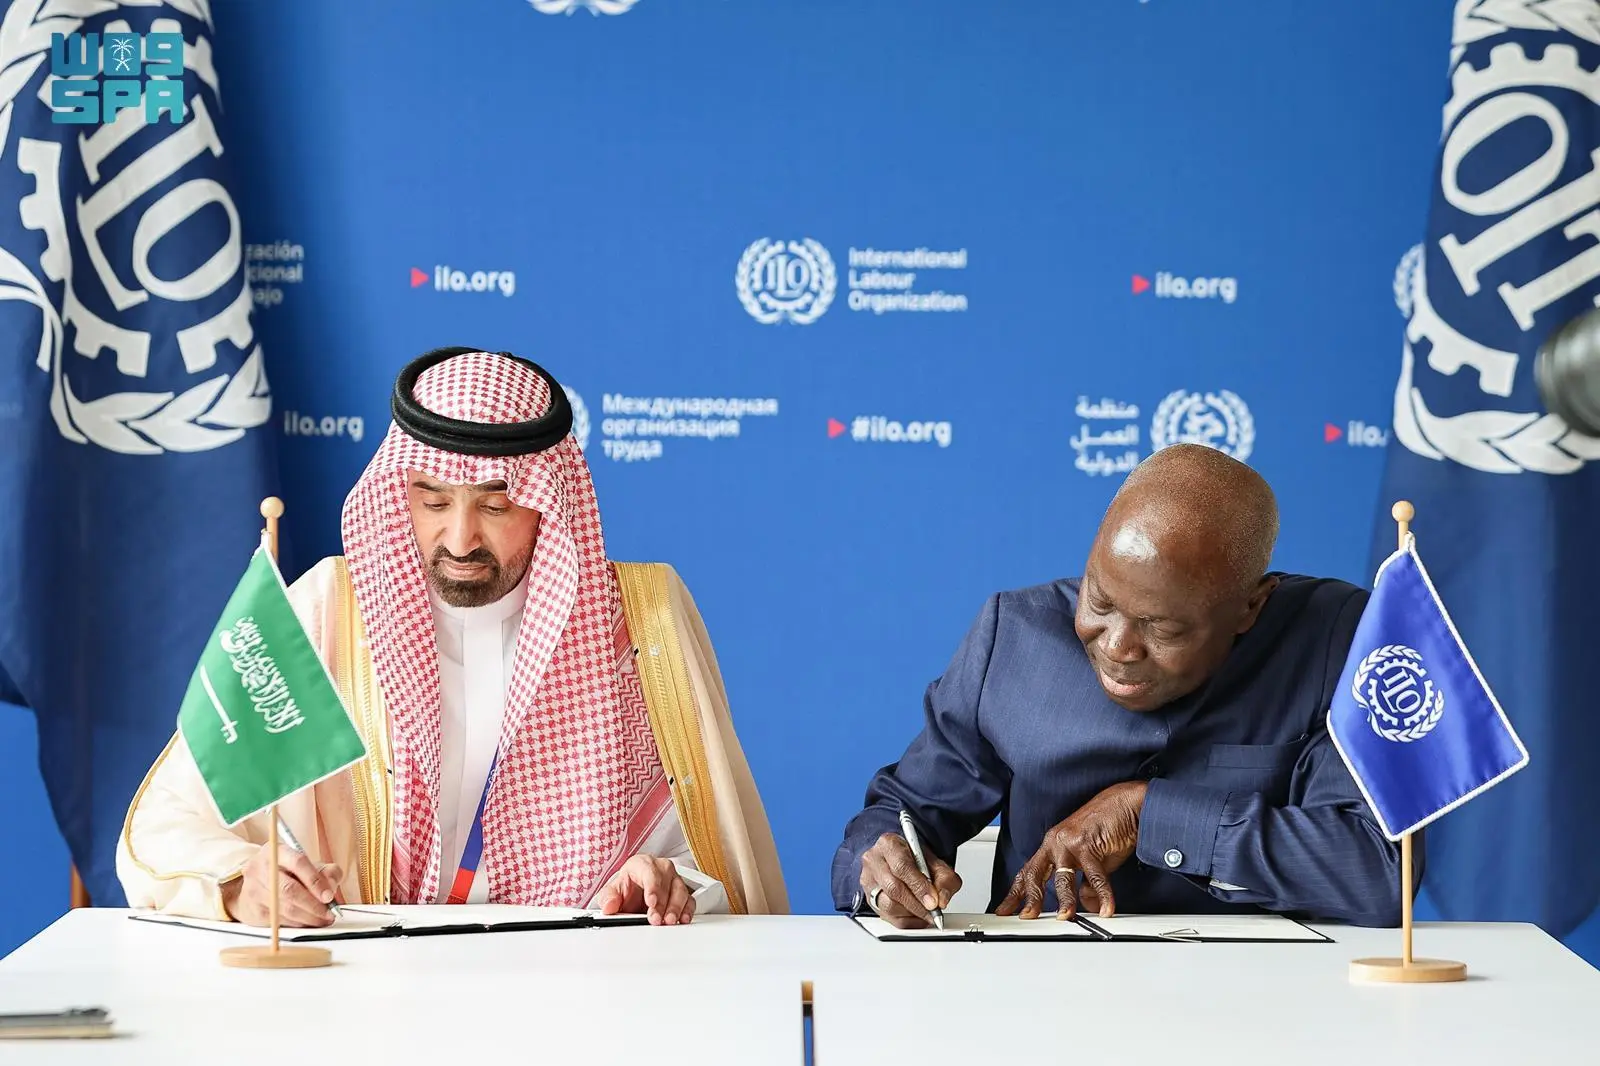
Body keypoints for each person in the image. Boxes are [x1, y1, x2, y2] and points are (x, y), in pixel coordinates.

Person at [119, 348, 788, 927]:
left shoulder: (641, 620)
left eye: (495, 505)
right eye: (433, 501)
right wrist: (241, 882)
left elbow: (718, 857)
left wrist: (671, 885)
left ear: (548, 503)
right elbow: (162, 826)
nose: (460, 539)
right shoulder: (324, 612)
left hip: (579, 983)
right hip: (368, 988)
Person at [832, 443, 1411, 929]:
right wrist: (881, 871)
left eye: (1162, 628)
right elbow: (902, 813)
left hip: (1263, 999)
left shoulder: (1335, 639)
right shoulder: (1013, 637)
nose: (1116, 646)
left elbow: (1380, 874)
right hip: (1036, 996)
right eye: (1100, 601)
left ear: (1250, 608)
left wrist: (1148, 814)